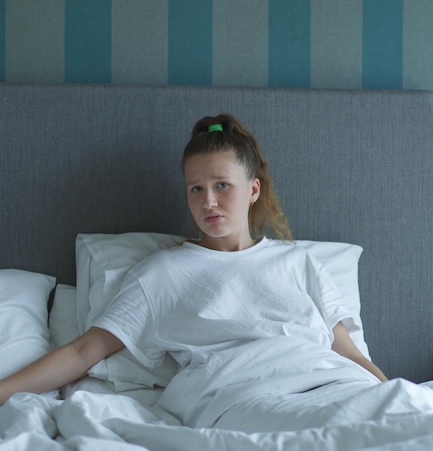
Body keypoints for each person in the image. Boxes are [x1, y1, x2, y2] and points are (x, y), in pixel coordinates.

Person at [0, 114, 387, 407]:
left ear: (253, 190)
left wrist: (392, 396)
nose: (209, 202)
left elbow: (348, 353)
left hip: (335, 385)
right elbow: (83, 352)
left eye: (222, 186)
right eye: (196, 189)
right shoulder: (164, 273)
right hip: (244, 397)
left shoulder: (298, 263)